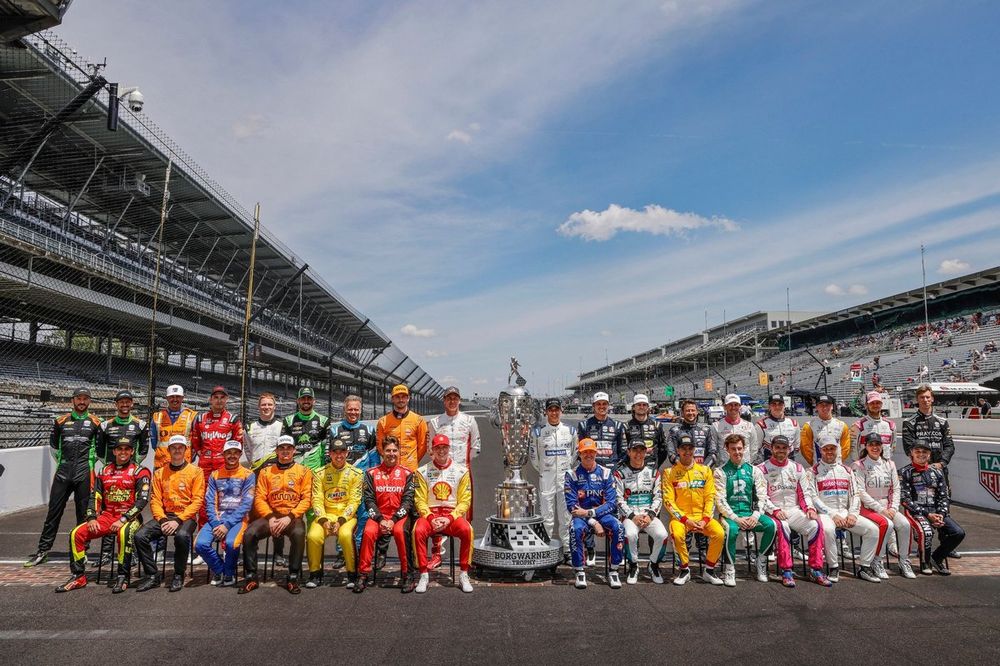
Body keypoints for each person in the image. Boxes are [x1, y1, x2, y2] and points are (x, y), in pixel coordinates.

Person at [54, 439, 151, 593]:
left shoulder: (141, 471)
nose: (123, 452)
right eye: (120, 449)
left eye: (127, 449)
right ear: (114, 451)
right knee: (76, 534)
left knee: (123, 533)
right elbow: (95, 496)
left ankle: (122, 576)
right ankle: (78, 576)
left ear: (132, 451)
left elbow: (142, 500)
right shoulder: (104, 471)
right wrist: (91, 517)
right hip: (106, 517)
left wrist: (123, 519)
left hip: (130, 517)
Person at [26, 387, 101, 568]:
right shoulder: (60, 421)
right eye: (78, 398)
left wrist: (88, 463)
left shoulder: (96, 422)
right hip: (63, 471)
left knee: (83, 515)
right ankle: (43, 551)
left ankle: (81, 552)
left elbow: (100, 450)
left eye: (85, 399)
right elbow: (54, 449)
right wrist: (64, 463)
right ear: (72, 401)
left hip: (85, 471)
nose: (81, 402)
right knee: (53, 512)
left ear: (89, 401)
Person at [240, 435, 313, 594]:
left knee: (300, 533)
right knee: (249, 533)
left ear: (294, 451)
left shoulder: (304, 471)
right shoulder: (266, 472)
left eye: (288, 448)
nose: (285, 451)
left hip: (292, 517)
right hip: (270, 516)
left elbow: (307, 499)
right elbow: (259, 497)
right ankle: (251, 576)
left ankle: (293, 576)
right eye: (282, 448)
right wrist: (270, 518)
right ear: (276, 451)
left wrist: (290, 516)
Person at [134, 435, 205, 592]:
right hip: (165, 516)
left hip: (186, 517)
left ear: (186, 451)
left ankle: (178, 574)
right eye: (174, 448)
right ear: (169, 451)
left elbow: (197, 501)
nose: (177, 450)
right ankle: (152, 575)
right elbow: (155, 501)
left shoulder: (196, 472)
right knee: (140, 536)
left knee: (181, 536)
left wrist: (178, 520)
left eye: (180, 447)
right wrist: (163, 520)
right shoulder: (159, 473)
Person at [758, 435, 830, 588]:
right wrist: (775, 510)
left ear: (789, 449)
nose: (781, 451)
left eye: (784, 448)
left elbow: (805, 493)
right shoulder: (761, 469)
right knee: (783, 526)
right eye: (777, 447)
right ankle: (786, 570)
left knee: (815, 525)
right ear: (771, 448)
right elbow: (761, 496)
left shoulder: (797, 468)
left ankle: (816, 568)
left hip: (793, 510)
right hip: (773, 511)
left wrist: (809, 509)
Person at [811, 437, 883, 583]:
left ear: (837, 450)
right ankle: (833, 566)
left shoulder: (847, 470)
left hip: (845, 511)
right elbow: (813, 498)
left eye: (832, 448)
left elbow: (855, 494)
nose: (829, 452)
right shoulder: (813, 471)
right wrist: (832, 514)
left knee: (873, 530)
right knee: (828, 530)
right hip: (825, 513)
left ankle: (865, 567)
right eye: (825, 449)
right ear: (820, 450)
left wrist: (853, 514)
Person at [412, 434, 475, 594]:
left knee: (468, 530)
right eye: (437, 448)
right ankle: (423, 574)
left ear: (449, 449)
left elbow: (465, 501)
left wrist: (450, 518)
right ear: (432, 450)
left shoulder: (462, 471)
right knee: (417, 531)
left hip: (451, 515)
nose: (441, 451)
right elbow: (419, 500)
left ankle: (464, 573)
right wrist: (431, 518)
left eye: (444, 448)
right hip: (430, 515)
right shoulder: (422, 471)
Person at [355, 436, 417, 594]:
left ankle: (407, 575)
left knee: (400, 532)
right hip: (378, 517)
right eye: (388, 450)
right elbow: (368, 500)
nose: (391, 453)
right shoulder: (371, 473)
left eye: (394, 450)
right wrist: (381, 519)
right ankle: (363, 574)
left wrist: (393, 520)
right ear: (382, 452)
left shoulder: (407, 474)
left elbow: (408, 502)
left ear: (399, 452)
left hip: (399, 517)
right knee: (368, 533)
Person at [661, 434, 725, 586]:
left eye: (690, 448)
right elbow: (668, 501)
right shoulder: (670, 473)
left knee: (719, 533)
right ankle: (684, 570)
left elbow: (710, 497)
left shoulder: (705, 471)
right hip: (681, 518)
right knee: (676, 534)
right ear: (678, 450)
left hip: (702, 517)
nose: (687, 452)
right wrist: (685, 519)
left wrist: (705, 520)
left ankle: (709, 570)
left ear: (695, 450)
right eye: (683, 448)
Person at [714, 433, 776, 586]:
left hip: (750, 513)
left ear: (745, 448)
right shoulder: (720, 472)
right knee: (731, 530)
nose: (737, 452)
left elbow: (761, 496)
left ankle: (761, 561)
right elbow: (720, 500)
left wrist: (755, 516)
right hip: (730, 516)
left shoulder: (754, 471)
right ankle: (729, 568)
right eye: (733, 449)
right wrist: (736, 518)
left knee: (772, 526)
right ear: (727, 450)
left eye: (740, 448)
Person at [853, 432, 917, 579]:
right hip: (867, 507)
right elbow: (861, 492)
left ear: (882, 446)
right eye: (871, 444)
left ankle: (904, 560)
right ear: (866, 446)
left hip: (888, 506)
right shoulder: (859, 465)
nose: (875, 447)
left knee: (905, 524)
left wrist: (894, 508)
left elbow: (896, 488)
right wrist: (880, 509)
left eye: (877, 444)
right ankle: (877, 560)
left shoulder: (890, 464)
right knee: (886, 524)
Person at [564, 438, 624, 589]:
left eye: (591, 452)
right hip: (581, 517)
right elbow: (572, 507)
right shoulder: (571, 475)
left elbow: (611, 503)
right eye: (585, 452)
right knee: (574, 529)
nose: (588, 455)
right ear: (579, 454)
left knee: (618, 526)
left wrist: (591, 513)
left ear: (596, 453)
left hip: (602, 513)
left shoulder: (606, 473)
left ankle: (614, 570)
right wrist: (593, 521)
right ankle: (579, 571)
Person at [194, 440, 255, 587]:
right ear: (223, 454)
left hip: (238, 519)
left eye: (235, 452)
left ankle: (229, 574)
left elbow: (246, 504)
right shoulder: (215, 475)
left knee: (231, 543)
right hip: (217, 519)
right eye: (229, 452)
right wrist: (216, 523)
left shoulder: (248, 474)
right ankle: (221, 570)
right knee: (200, 544)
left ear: (240, 454)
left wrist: (227, 525)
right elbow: (209, 502)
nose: (232, 455)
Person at [305, 438, 364, 589]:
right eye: (335, 452)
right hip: (326, 514)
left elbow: (354, 501)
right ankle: (315, 574)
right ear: (330, 454)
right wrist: (323, 519)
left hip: (347, 516)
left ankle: (352, 574)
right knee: (313, 536)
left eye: (342, 452)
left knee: (345, 535)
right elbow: (316, 499)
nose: (339, 455)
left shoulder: (356, 473)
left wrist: (341, 520)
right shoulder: (320, 473)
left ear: (347, 453)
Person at [900, 440, 965, 575]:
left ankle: (936, 558)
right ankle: (925, 562)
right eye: (917, 451)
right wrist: (926, 514)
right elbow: (905, 499)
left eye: (925, 452)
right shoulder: (904, 472)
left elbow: (944, 496)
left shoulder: (937, 472)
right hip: (916, 512)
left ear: (929, 455)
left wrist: (941, 513)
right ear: (911, 453)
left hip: (936, 512)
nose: (921, 454)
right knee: (927, 532)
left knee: (958, 532)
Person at [613, 440, 667, 584]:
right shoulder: (620, 473)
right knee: (630, 534)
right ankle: (633, 565)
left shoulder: (654, 473)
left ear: (646, 452)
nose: (638, 454)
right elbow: (618, 499)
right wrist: (632, 516)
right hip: (630, 516)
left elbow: (658, 497)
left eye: (641, 450)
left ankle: (653, 564)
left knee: (662, 535)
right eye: (635, 450)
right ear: (628, 452)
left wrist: (650, 515)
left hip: (648, 514)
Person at [529, 397, 575, 560]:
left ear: (561, 411)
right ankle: (546, 548)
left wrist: (568, 469)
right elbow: (533, 456)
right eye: (551, 410)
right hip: (546, 477)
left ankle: (568, 550)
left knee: (565, 516)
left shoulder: (570, 431)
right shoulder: (538, 432)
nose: (554, 412)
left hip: (565, 478)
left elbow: (574, 453)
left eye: (557, 409)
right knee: (547, 516)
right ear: (546, 412)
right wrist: (542, 470)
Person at [191, 385, 243, 527]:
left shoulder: (233, 419)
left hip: (225, 469)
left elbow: (238, 443)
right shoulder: (200, 419)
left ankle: (225, 544)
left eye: (222, 398)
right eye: (216, 397)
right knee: (204, 502)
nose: (219, 401)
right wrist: (203, 454)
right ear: (210, 399)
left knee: (226, 503)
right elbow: (195, 441)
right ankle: (203, 539)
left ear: (227, 399)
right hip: (205, 469)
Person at [902, 384, 955, 495]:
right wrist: (923, 464)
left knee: (944, 503)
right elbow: (908, 448)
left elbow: (949, 446)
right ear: (917, 399)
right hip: (919, 470)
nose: (925, 400)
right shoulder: (909, 422)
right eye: (922, 397)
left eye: (927, 397)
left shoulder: (942, 421)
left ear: (932, 399)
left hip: (940, 469)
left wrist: (942, 463)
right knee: (921, 505)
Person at [376, 384, 428, 473]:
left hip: (411, 469)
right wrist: (390, 460)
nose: (401, 400)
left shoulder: (419, 420)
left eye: (404, 397)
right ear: (392, 399)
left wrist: (412, 461)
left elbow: (423, 445)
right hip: (390, 469)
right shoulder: (383, 421)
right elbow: (380, 446)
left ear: (408, 398)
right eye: (397, 397)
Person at [96, 390, 153, 466]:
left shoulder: (141, 425)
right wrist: (108, 465)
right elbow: (99, 451)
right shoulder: (105, 425)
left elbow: (143, 450)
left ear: (132, 404)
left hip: (131, 470)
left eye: (127, 402)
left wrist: (134, 464)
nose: (125, 404)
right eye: (121, 402)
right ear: (116, 404)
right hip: (111, 470)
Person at [282, 387, 330, 471]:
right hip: (293, 470)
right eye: (303, 398)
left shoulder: (323, 421)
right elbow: (283, 447)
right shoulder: (288, 421)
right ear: (298, 401)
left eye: (309, 398)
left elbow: (327, 448)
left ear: (314, 401)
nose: (306, 401)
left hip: (315, 470)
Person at [150, 384, 197, 470]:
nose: (175, 399)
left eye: (178, 397)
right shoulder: (157, 417)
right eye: (172, 397)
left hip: (184, 465)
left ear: (182, 398)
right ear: (167, 398)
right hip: (162, 465)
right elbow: (154, 444)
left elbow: (196, 443)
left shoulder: (192, 416)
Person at [576, 391, 626, 468]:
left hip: (612, 468)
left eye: (604, 404)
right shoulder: (584, 425)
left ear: (608, 406)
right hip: (591, 468)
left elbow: (622, 450)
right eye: (598, 404)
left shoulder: (617, 425)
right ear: (593, 406)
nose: (601, 406)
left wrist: (617, 465)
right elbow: (579, 450)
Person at [666, 399, 720, 468]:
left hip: (702, 473)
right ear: (682, 413)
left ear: (697, 412)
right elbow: (671, 454)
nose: (691, 413)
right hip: (682, 473)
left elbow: (713, 453)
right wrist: (685, 468)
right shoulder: (675, 431)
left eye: (693, 410)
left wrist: (703, 469)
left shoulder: (706, 430)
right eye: (688, 410)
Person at [799, 394, 851, 465]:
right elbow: (805, 449)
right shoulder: (808, 426)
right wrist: (815, 464)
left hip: (837, 467)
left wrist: (837, 461)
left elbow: (845, 448)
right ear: (816, 407)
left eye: (827, 405)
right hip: (818, 469)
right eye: (821, 405)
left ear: (832, 406)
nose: (824, 407)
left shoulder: (842, 425)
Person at [622, 393, 667, 469]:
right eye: (639, 405)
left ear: (648, 407)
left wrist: (656, 464)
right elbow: (622, 450)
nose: (641, 407)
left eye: (644, 405)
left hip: (652, 467)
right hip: (631, 469)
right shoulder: (626, 426)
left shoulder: (657, 425)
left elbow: (663, 449)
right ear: (633, 407)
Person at [329, 394, 376, 466]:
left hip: (363, 474)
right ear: (344, 410)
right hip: (342, 474)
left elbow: (373, 455)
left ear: (360, 411)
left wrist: (373, 472)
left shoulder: (369, 430)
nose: (353, 412)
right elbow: (329, 455)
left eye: (356, 409)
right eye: (350, 409)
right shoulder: (334, 431)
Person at [715, 394, 761, 466]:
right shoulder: (716, 426)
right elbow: (714, 449)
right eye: (730, 405)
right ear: (725, 407)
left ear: (740, 407)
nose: (733, 407)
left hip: (744, 469)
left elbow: (754, 449)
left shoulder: (749, 426)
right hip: (724, 469)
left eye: (736, 405)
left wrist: (745, 464)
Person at [244, 392, 283, 471]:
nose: (266, 407)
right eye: (263, 405)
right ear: (258, 406)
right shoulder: (250, 427)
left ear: (274, 407)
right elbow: (247, 449)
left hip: (275, 470)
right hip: (256, 469)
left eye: (270, 404)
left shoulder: (281, 426)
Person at [852, 391, 895, 460]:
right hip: (864, 467)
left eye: (878, 403)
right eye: (872, 403)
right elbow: (854, 450)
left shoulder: (891, 425)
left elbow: (892, 446)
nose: (875, 405)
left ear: (881, 404)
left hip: (885, 465)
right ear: (866, 405)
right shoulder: (858, 425)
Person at [756, 394, 800, 461]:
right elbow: (756, 448)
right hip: (768, 465)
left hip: (789, 465)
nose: (777, 407)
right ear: (769, 407)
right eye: (774, 404)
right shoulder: (761, 424)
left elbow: (797, 447)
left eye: (780, 404)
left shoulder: (794, 423)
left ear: (784, 406)